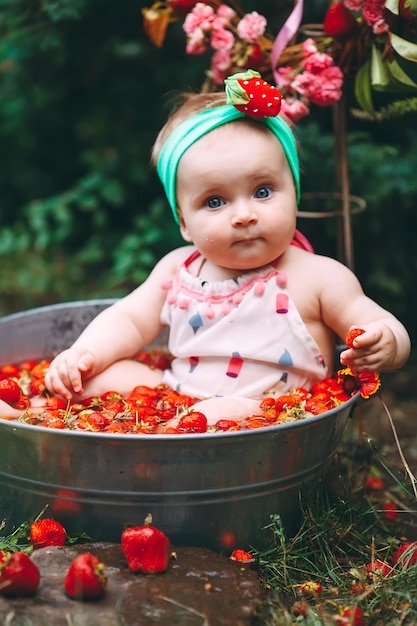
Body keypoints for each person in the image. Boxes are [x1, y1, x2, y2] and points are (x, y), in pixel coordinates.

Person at [0, 70, 410, 423]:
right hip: (177, 392)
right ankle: (37, 412)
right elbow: (128, 320)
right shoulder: (179, 269)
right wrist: (84, 354)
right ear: (183, 223)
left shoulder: (318, 277)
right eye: (215, 201)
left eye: (263, 191)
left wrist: (385, 342)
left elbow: (377, 322)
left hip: (267, 413)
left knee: (219, 415)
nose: (244, 215)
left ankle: (153, 444)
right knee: (102, 378)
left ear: (295, 194)